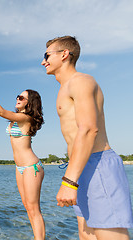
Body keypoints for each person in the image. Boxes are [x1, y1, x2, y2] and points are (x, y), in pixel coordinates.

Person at [42, 36, 133, 239]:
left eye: (46, 55)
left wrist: (69, 182)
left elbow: (89, 129)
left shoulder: (81, 81)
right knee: (87, 234)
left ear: (64, 54)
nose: (43, 61)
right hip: (80, 167)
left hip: (98, 165)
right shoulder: (63, 88)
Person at [0, 76, 46, 239]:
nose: (18, 98)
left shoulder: (26, 118)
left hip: (32, 167)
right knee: (28, 208)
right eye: (18, 95)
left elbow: (0, 112)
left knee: (34, 209)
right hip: (19, 168)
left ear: (29, 104)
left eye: (22, 97)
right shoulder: (17, 118)